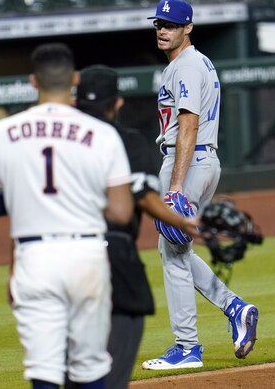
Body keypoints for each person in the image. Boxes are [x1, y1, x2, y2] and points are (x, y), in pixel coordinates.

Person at [0, 43, 134, 389]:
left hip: (35, 257)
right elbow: (121, 212)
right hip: (86, 255)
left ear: (33, 81)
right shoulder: (102, 133)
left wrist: (24, 196)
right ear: (74, 79)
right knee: (89, 366)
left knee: (43, 370)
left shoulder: (3, 131)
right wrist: (84, 198)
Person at [141, 0, 260, 370]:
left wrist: (176, 186)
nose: (163, 30)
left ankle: (187, 347)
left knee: (173, 252)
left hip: (188, 162)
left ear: (188, 28)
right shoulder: (193, 63)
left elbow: (188, 124)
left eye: (171, 25)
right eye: (159, 24)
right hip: (200, 161)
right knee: (174, 248)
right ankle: (235, 308)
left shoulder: (187, 66)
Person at [66, 65, 201, 389]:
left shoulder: (61, 142)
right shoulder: (124, 140)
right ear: (118, 103)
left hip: (61, 258)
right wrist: (187, 223)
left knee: (71, 366)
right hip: (112, 257)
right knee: (112, 368)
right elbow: (142, 197)